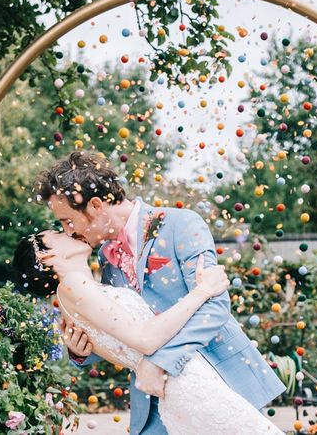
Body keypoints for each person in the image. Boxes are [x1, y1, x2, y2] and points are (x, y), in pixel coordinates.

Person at [26, 151, 285, 434]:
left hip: (216, 385)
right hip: (152, 406)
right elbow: (121, 331)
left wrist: (161, 362)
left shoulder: (180, 224)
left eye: (68, 221)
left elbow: (215, 307)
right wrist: (80, 352)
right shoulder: (104, 257)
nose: (69, 232)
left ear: (96, 205)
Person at [14, 231, 283, 434]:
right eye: (57, 234)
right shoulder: (72, 285)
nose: (68, 231)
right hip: (183, 380)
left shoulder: (81, 291)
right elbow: (146, 339)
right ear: (46, 256)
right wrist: (203, 291)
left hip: (181, 382)